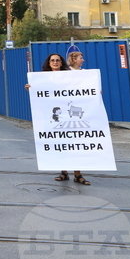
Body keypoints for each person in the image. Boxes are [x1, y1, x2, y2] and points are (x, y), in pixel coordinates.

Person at [26, 53, 90, 185]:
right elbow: (38, 92)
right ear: (49, 63)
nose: (55, 62)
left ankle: (78, 174)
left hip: (68, 114)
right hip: (53, 116)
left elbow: (80, 89)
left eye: (57, 60)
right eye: (52, 60)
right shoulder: (42, 77)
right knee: (60, 144)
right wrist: (29, 88)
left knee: (74, 144)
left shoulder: (69, 76)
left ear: (61, 63)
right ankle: (64, 172)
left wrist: (94, 91)